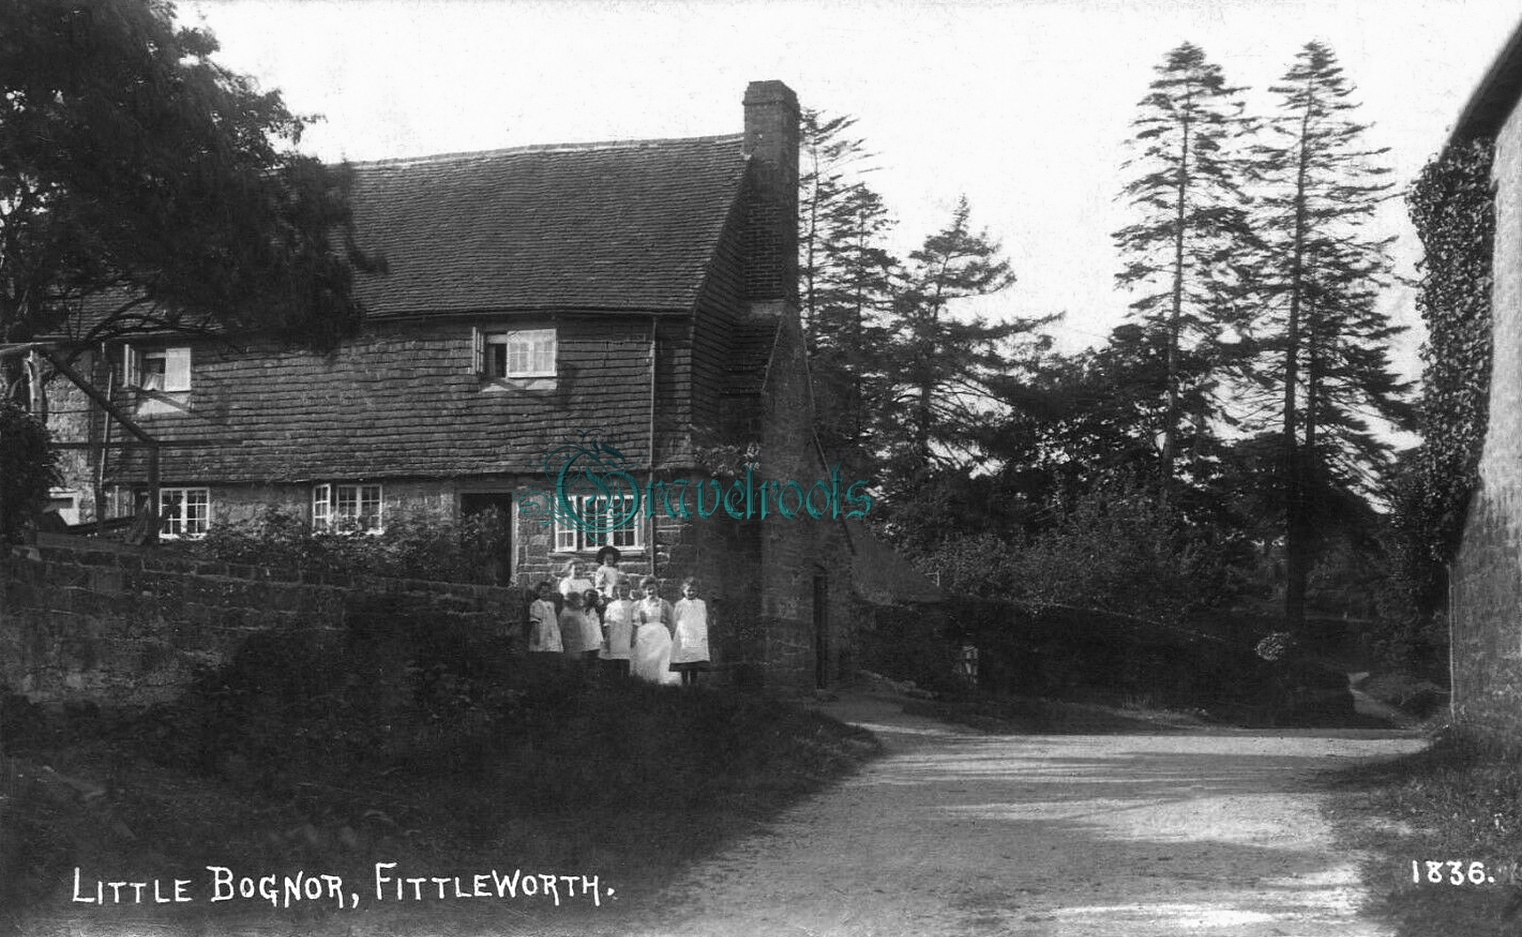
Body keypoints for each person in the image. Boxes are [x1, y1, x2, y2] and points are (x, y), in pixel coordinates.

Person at [631, 577, 679, 686]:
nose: (651, 592)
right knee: (644, 656)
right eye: (648, 589)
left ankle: (664, 680)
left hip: (660, 633)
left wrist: (672, 635)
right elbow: (634, 621)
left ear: (657, 588)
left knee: (663, 656)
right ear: (644, 590)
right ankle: (645, 679)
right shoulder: (638, 604)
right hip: (644, 633)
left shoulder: (664, 603)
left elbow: (672, 622)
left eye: (653, 589)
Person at [670, 577, 711, 687]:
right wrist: (676, 632)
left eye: (694, 590)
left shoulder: (701, 604)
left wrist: (702, 632)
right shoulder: (680, 604)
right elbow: (675, 619)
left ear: (697, 591)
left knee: (695, 659)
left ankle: (693, 683)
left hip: (697, 635)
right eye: (688, 590)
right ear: (683, 591)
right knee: (684, 659)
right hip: (684, 635)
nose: (691, 593)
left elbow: (704, 618)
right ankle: (684, 682)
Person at [598, 579, 636, 677]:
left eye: (625, 590)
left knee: (626, 656)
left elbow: (636, 622)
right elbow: (607, 622)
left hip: (627, 632)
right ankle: (616, 679)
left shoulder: (633, 605)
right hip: (615, 633)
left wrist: (633, 637)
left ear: (629, 591)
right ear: (616, 591)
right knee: (615, 656)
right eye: (621, 590)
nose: (623, 593)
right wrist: (608, 636)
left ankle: (626, 678)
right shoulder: (611, 605)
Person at [527, 580, 562, 653]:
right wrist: (537, 636)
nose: (545, 594)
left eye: (548, 592)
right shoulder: (537, 604)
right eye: (543, 592)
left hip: (552, 632)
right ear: (538, 592)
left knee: (552, 650)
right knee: (542, 651)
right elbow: (535, 621)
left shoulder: (551, 604)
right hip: (541, 633)